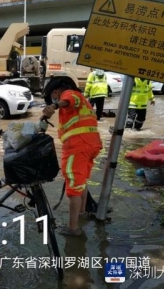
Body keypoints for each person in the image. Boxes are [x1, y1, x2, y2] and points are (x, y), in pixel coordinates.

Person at [42, 79, 103, 236]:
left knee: (73, 186)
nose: (53, 100)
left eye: (52, 97)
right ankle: (81, 212)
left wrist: (54, 106)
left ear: (56, 91)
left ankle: (72, 228)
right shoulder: (83, 101)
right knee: (81, 182)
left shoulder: (69, 94)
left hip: (78, 145)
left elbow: (69, 99)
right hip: (91, 144)